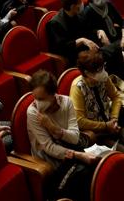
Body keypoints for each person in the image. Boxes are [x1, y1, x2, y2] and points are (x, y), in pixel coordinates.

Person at [27, 70, 100, 200]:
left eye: (41, 99)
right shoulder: (32, 112)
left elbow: (74, 138)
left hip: (70, 149)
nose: (37, 103)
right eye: (35, 98)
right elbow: (49, 147)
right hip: (50, 161)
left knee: (96, 168)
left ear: (53, 95)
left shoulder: (67, 102)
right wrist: (78, 155)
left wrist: (53, 128)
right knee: (83, 175)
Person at [70, 49, 124, 154]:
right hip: (98, 135)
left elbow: (116, 97)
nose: (103, 72)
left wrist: (114, 118)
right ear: (87, 73)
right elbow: (80, 121)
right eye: (99, 69)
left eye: (103, 67)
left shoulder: (104, 78)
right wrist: (106, 126)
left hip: (113, 125)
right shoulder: (78, 88)